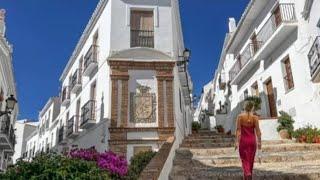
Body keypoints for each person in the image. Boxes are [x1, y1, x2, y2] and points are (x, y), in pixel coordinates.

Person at [235, 101, 262, 180]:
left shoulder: (240, 117)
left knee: (244, 160)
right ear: (252, 108)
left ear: (245, 107)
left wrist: (237, 142)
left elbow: (238, 131)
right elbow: (258, 132)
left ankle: (247, 173)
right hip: (252, 142)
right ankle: (248, 175)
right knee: (250, 160)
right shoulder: (255, 118)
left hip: (243, 141)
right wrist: (259, 143)